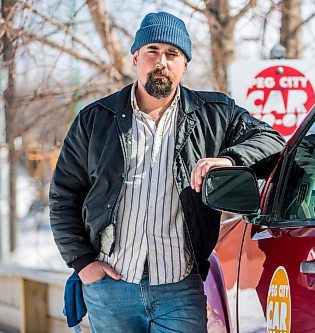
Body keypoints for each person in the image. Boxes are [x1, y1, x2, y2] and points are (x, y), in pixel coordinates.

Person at [49, 11, 285, 333]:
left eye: (173, 54)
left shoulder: (214, 114)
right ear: (136, 58)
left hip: (180, 289)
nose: (162, 61)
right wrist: (84, 264)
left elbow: (273, 142)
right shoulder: (95, 119)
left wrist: (229, 160)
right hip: (110, 290)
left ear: (184, 66)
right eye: (153, 51)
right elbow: (63, 195)